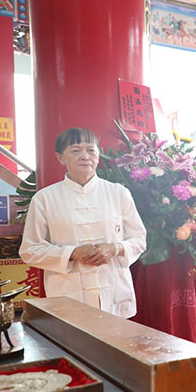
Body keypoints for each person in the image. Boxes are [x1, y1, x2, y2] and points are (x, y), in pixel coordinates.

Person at [19, 127, 147, 318]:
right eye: (75, 150)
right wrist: (72, 253)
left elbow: (139, 240)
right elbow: (29, 250)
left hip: (114, 293)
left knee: (114, 345)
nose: (85, 156)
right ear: (60, 157)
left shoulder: (118, 193)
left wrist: (115, 248)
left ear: (98, 156)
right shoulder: (44, 198)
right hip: (68, 295)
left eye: (91, 150)